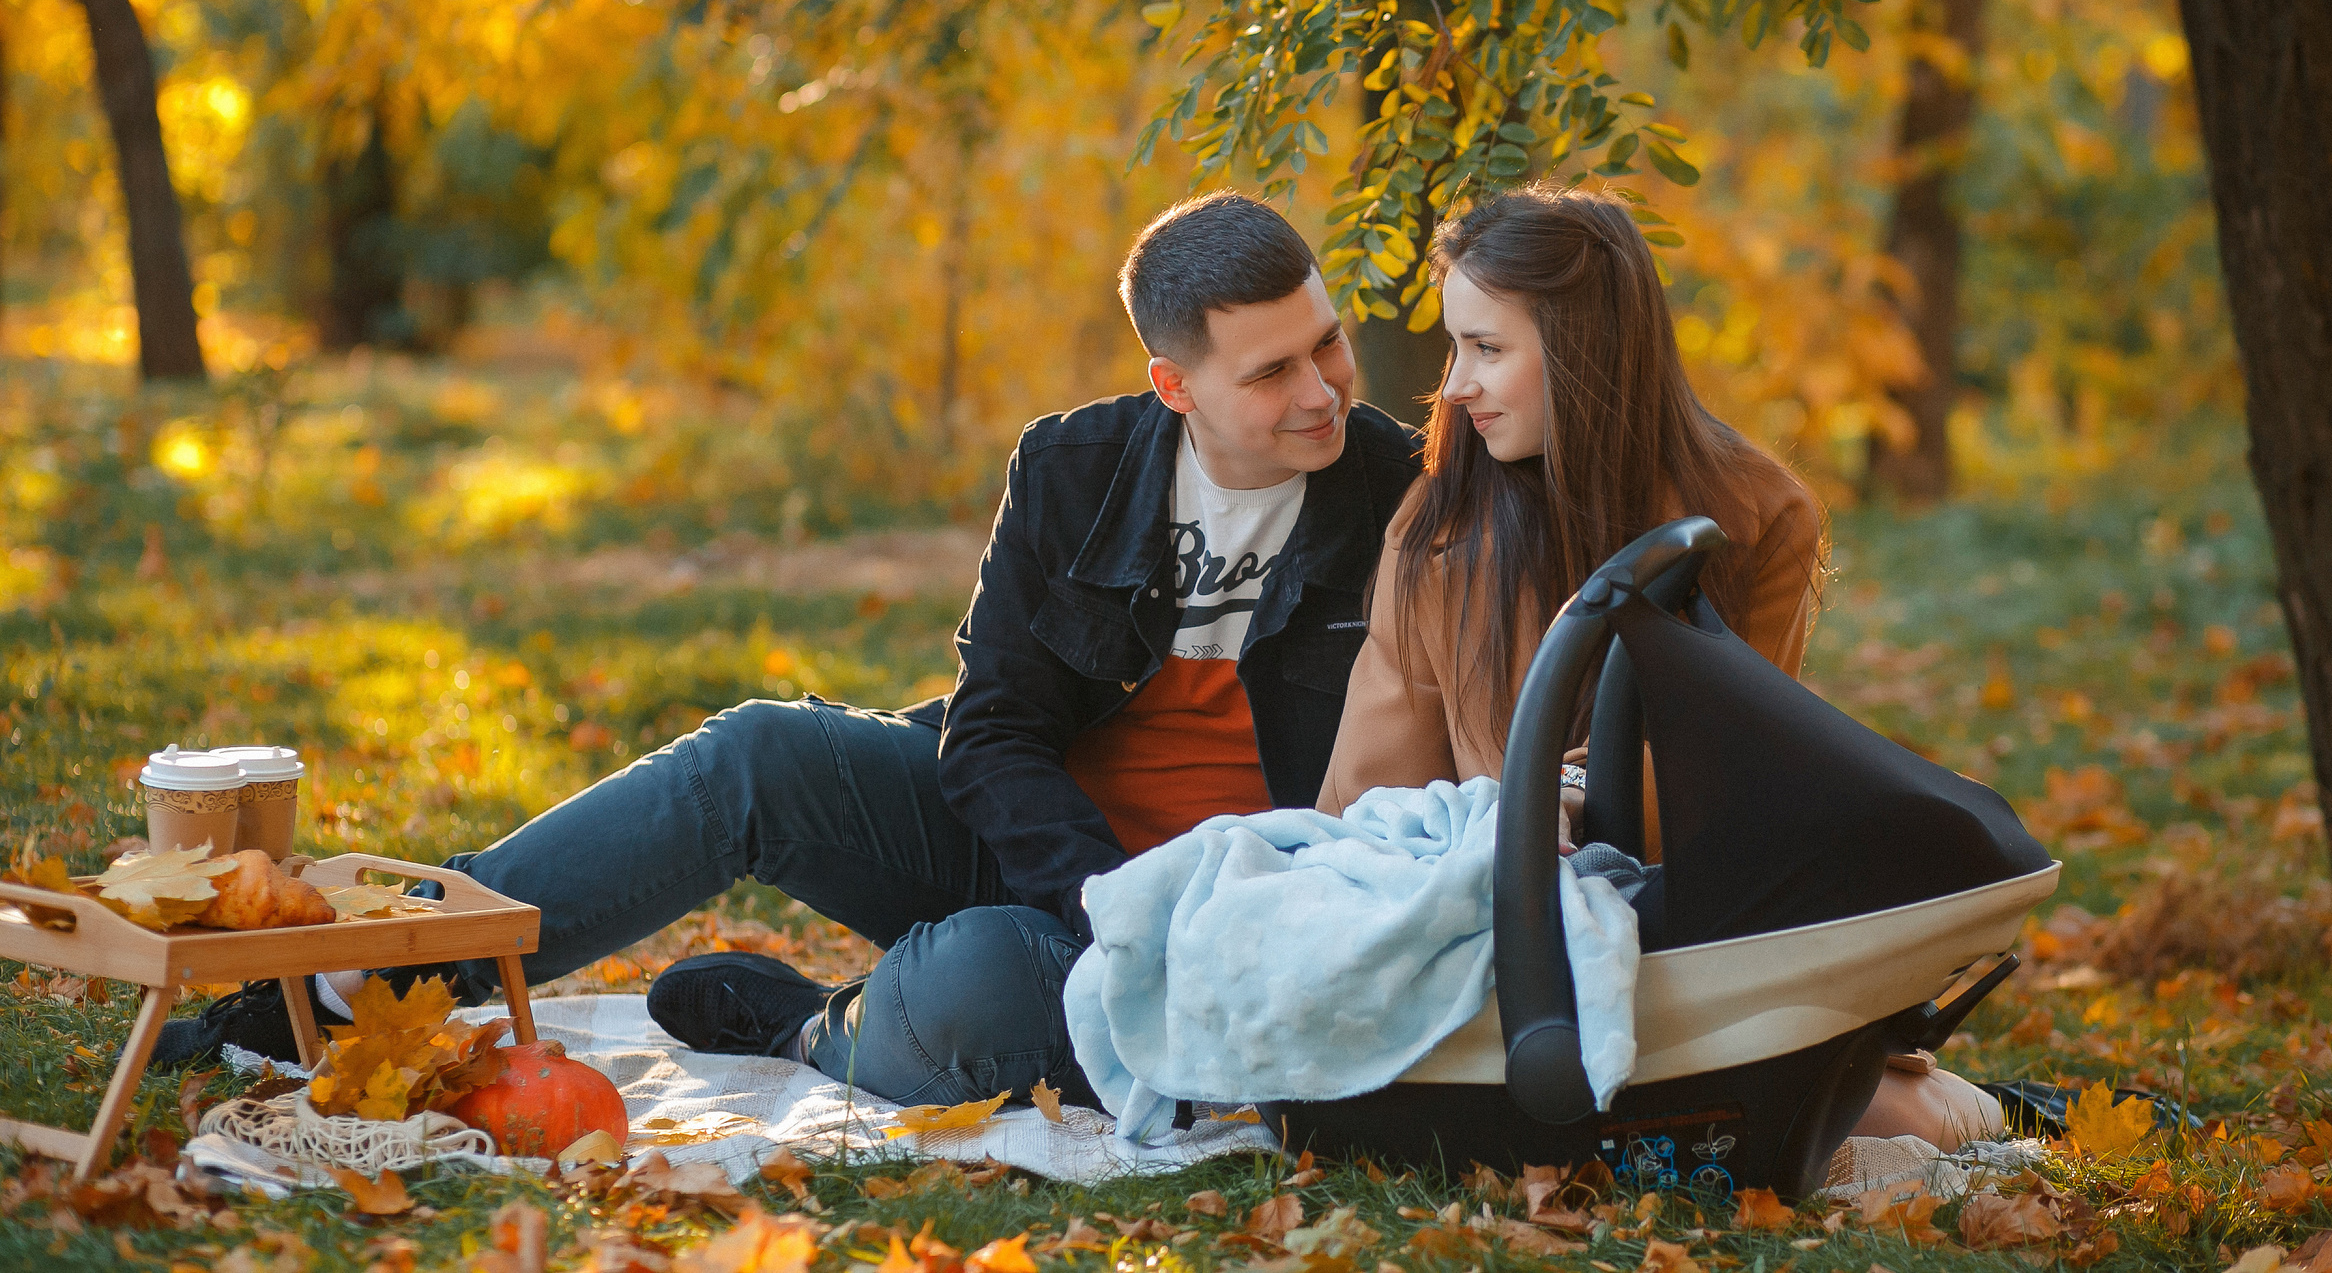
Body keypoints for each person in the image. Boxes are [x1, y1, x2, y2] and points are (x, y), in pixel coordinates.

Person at [155, 193, 1423, 1106]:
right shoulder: (1073, 466)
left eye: (1326, 343)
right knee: (753, 753)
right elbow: (993, 733)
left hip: (1211, 918)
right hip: (1047, 867)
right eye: (1271, 372)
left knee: (979, 980)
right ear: (1175, 385)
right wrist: (1096, 900)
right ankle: (350, 985)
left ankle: (815, 1029)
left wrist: (1146, 927)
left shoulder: (1401, 494)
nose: (1321, 389)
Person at [1314, 184, 2007, 1151]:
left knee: (1910, 1117)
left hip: (1691, 936)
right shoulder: (1436, 535)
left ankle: (1957, 1098)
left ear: (1582, 348)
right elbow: (1368, 794)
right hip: (1498, 945)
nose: (1456, 384)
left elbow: (1719, 774)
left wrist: (1553, 798)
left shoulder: (1753, 518)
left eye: (1487, 347)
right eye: (1453, 346)